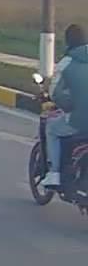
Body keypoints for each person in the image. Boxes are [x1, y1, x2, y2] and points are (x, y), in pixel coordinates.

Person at [43, 23, 88, 188]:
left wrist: (68, 105)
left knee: (52, 129)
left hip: (79, 120)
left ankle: (54, 174)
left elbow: (55, 93)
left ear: (68, 42)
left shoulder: (66, 63)